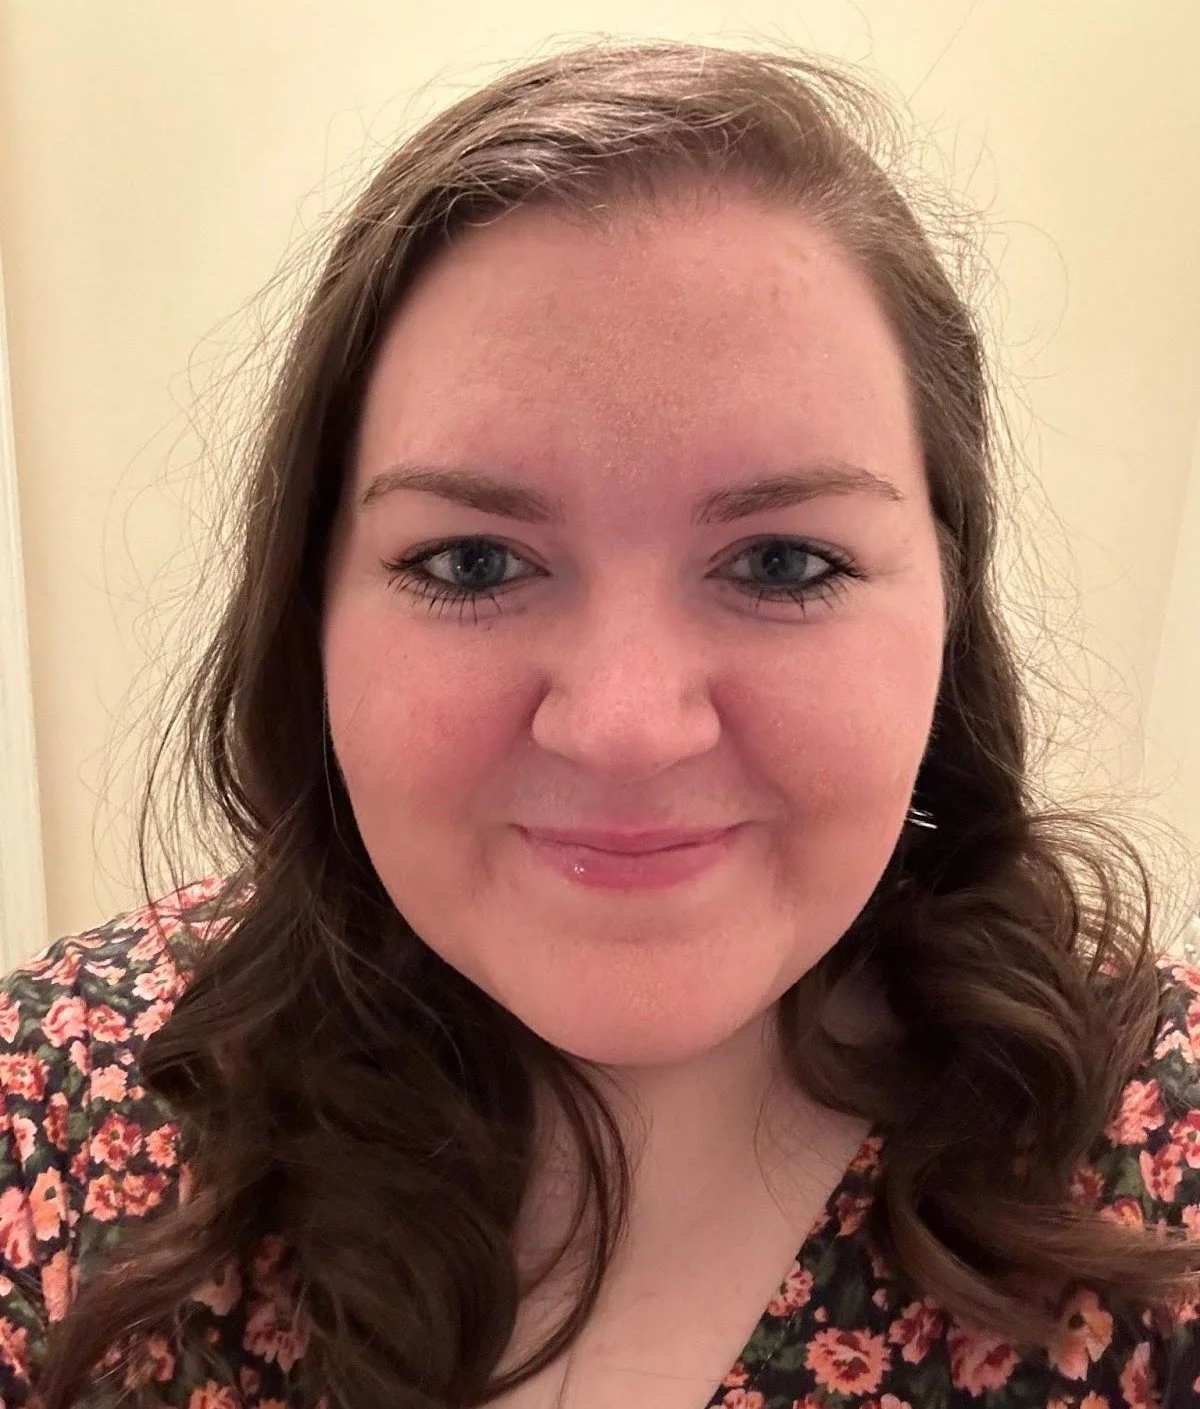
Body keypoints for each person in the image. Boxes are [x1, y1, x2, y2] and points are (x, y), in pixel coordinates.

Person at [1, 34, 1198, 1409]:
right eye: (472, 564)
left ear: (948, 610)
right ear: (310, 609)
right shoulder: (58, 1106)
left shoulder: (1160, 1170)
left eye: (784, 563)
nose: (626, 729)